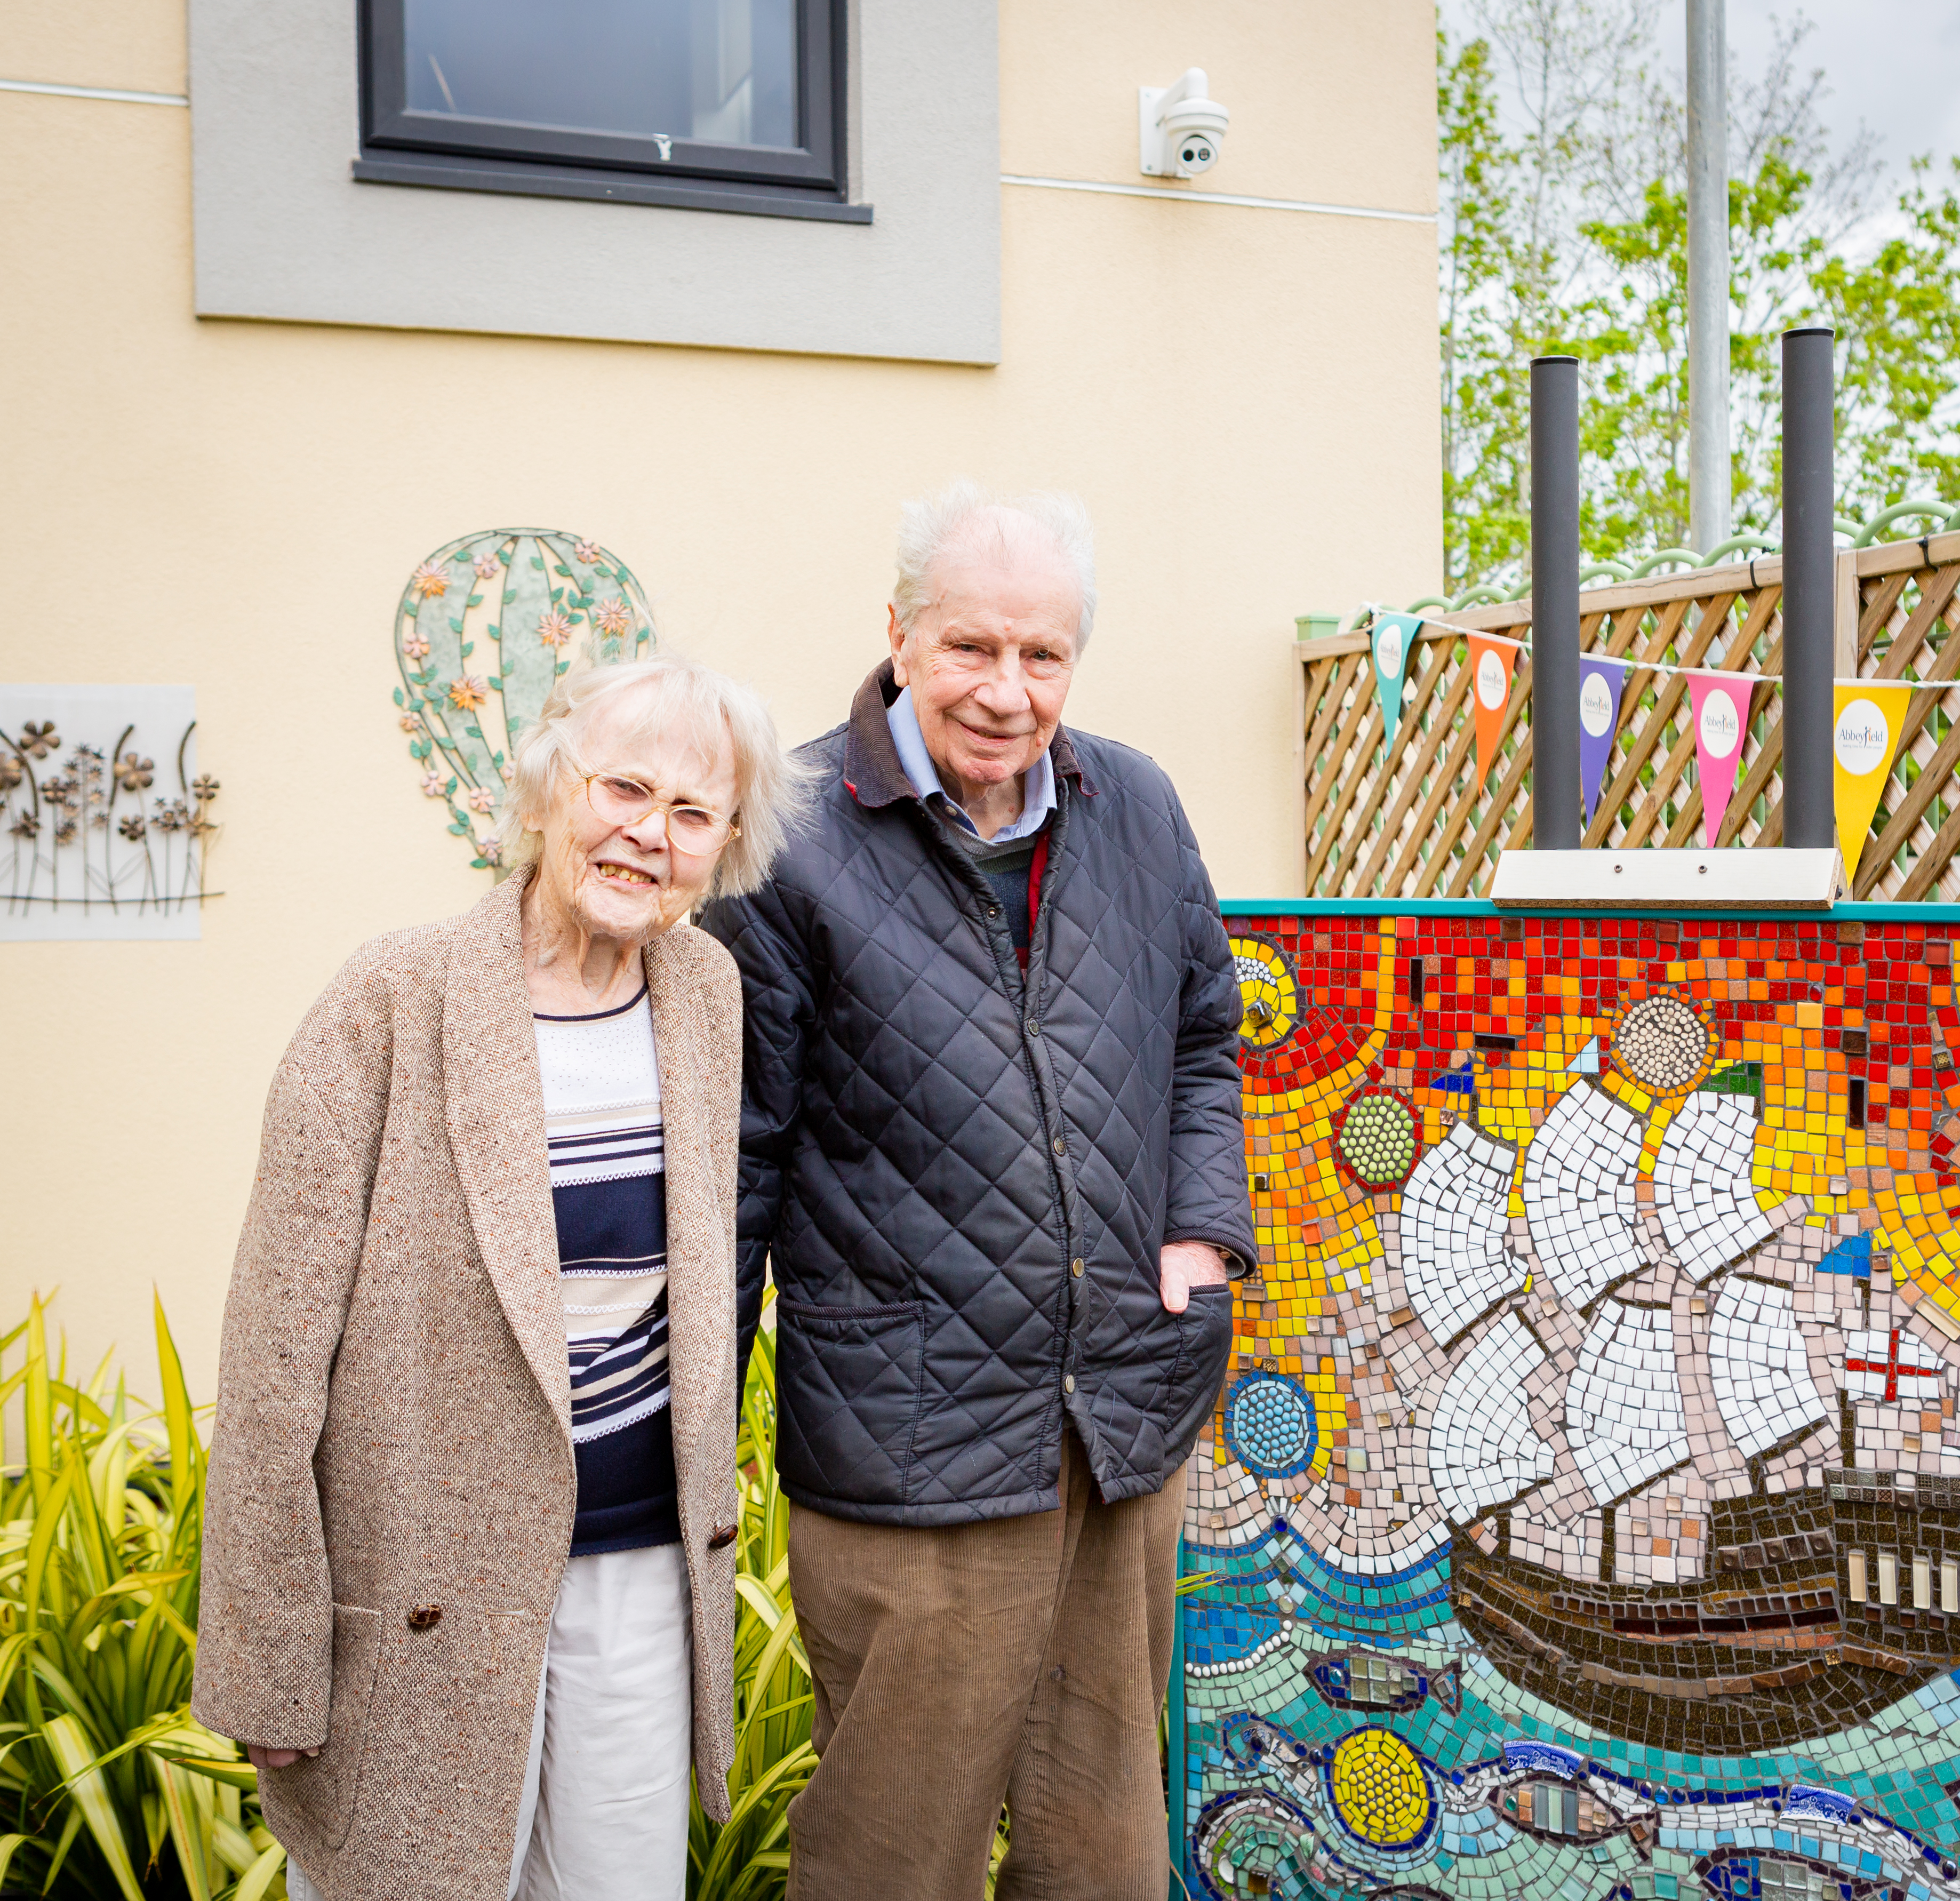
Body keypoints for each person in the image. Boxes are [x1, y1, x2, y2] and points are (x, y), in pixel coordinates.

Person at [700, 482, 1254, 1900]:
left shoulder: (1135, 802)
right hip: (911, 1435)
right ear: (898, 634)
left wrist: (1198, 1234)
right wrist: (707, 1417)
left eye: (1043, 654)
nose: (1009, 692)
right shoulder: (793, 836)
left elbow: (1203, 1028)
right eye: (971, 649)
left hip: (1118, 1411)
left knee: (1104, 1848)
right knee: (898, 1853)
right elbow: (738, 1150)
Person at [193, 656, 794, 1901]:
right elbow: (271, 1354)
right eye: (622, 787)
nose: (647, 835)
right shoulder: (390, 998)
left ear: (725, 846)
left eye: (693, 814)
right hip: (425, 1581)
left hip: (635, 1565)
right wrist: (268, 1657)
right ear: (546, 787)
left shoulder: (704, 993)